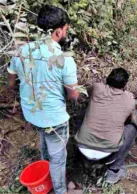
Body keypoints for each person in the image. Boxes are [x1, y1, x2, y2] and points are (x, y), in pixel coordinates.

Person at [7, 5, 78, 194]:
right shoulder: (64, 59)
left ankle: (45, 172)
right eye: (65, 30)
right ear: (58, 31)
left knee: (45, 138)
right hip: (54, 118)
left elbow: (12, 83)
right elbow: (73, 95)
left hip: (31, 114)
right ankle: (60, 190)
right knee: (58, 158)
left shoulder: (22, 52)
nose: (65, 33)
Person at [75, 68, 137, 184]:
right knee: (132, 129)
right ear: (125, 84)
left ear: (108, 79)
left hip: (82, 147)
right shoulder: (130, 99)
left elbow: (83, 94)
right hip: (108, 152)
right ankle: (114, 171)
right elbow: (128, 120)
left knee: (85, 113)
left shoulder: (97, 87)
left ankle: (82, 161)